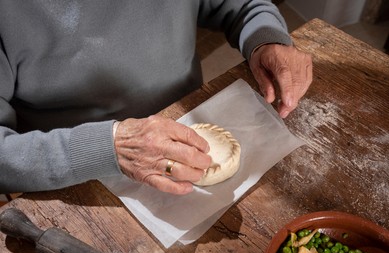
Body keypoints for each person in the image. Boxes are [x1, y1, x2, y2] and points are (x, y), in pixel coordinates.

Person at [0, 0, 312, 196]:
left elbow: (240, 5)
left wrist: (264, 37)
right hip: (78, 180)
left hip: (193, 117)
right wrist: (107, 148)